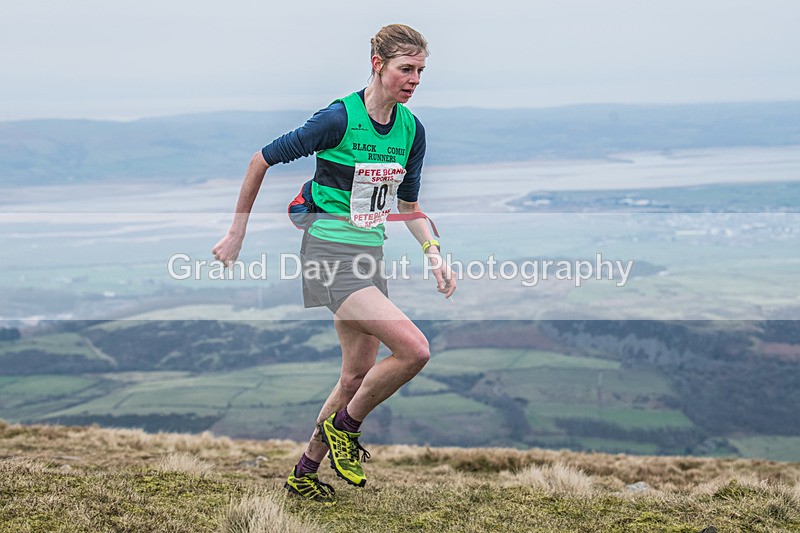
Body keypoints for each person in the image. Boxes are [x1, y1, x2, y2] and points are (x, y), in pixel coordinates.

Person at [212, 23, 456, 503]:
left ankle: (304, 473)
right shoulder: (337, 119)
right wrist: (236, 232)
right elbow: (260, 160)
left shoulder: (411, 129)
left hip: (369, 255)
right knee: (415, 350)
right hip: (327, 255)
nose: (414, 80)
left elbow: (408, 207)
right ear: (377, 65)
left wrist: (434, 255)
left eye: (421, 71)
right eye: (406, 69)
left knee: (354, 377)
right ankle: (347, 428)